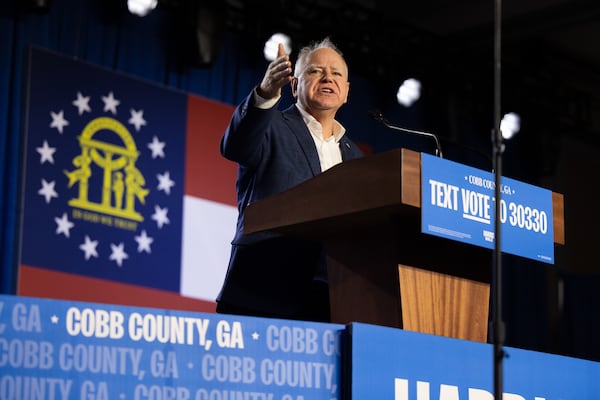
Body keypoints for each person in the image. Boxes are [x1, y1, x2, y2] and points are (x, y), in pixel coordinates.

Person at [216, 37, 364, 322]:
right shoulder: (269, 126)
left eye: (336, 74)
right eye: (315, 71)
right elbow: (235, 146)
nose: (327, 78)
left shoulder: (357, 159)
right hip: (263, 291)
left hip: (332, 299)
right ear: (294, 85)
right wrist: (265, 93)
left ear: (346, 92)